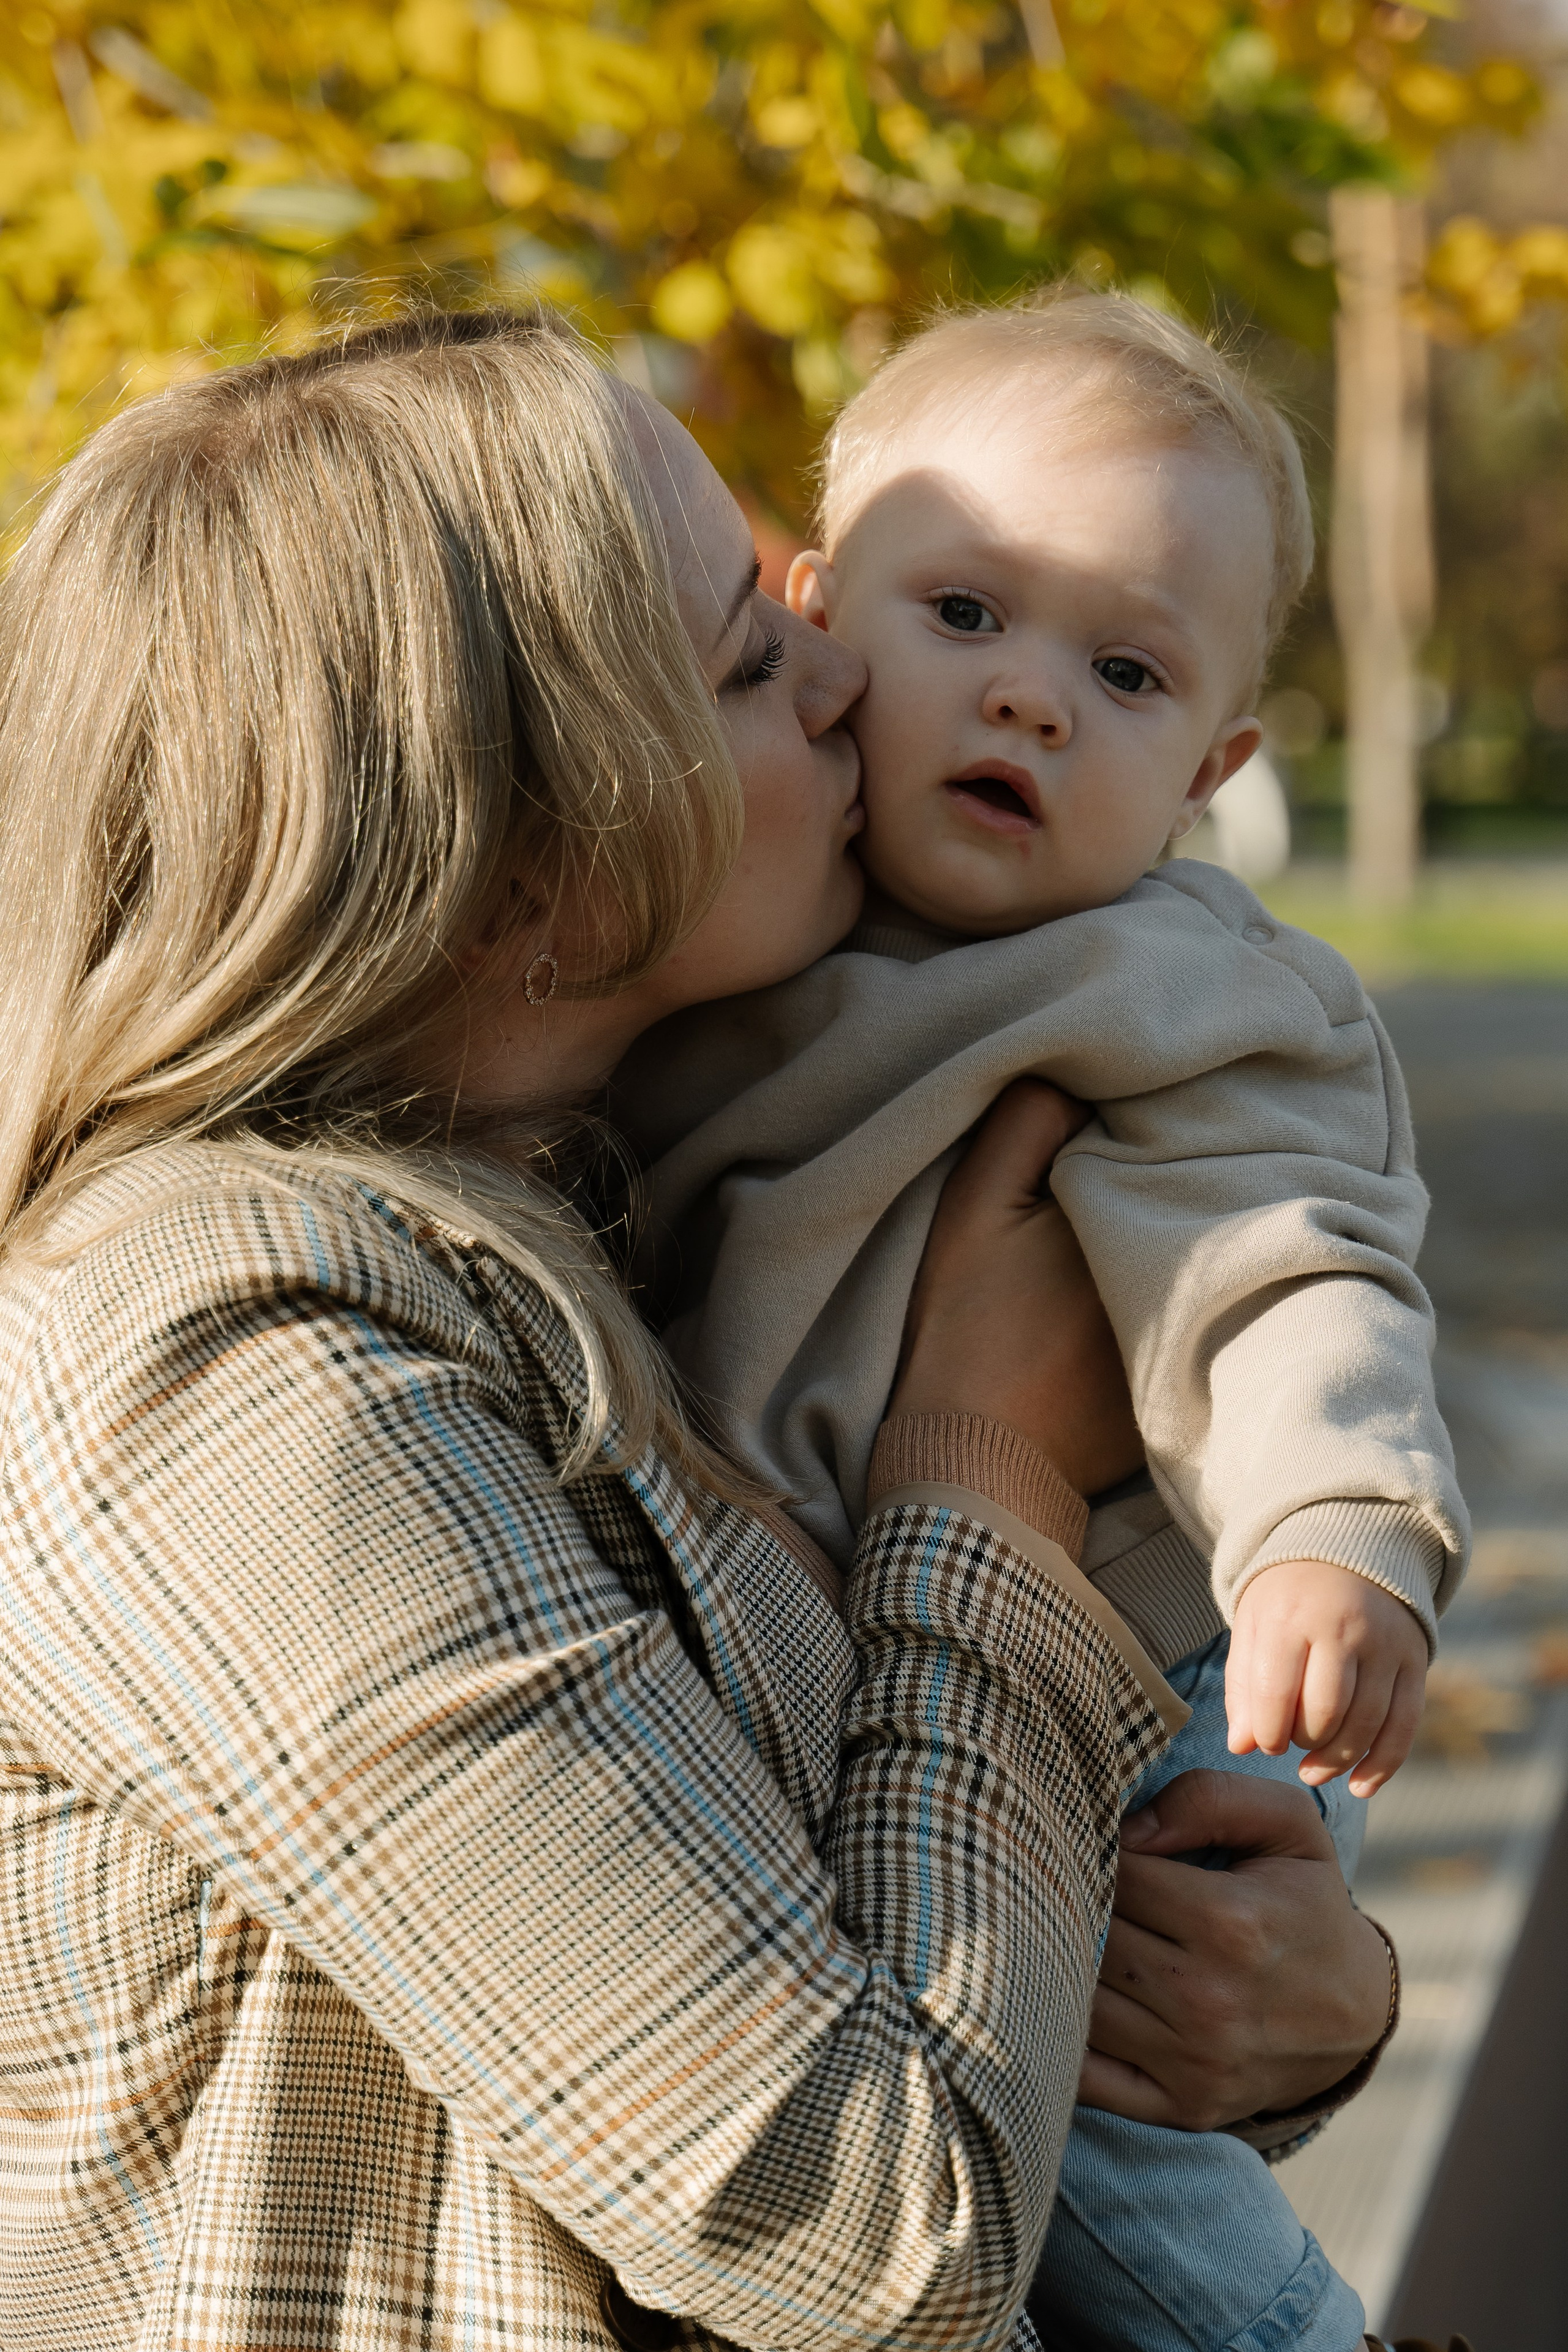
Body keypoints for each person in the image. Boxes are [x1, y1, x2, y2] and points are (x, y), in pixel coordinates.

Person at [0, 306, 1393, 2352]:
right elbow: (871, 2243)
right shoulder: (228, 1377)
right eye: (752, 652)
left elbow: (908, 1990)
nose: (853, 676)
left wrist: (1291, 2006)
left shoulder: (614, 1218)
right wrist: (990, 1492)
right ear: (513, 857)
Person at [611, 290, 1464, 2352]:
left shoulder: (1176, 993)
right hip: (854, 1655)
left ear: (1212, 767)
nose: (1034, 704)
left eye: (1126, 669)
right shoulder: (708, 942)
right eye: (968, 616)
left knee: (1083, 2122)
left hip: (1158, 1660)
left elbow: (1292, 1262)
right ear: (817, 627)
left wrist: (1338, 1531)